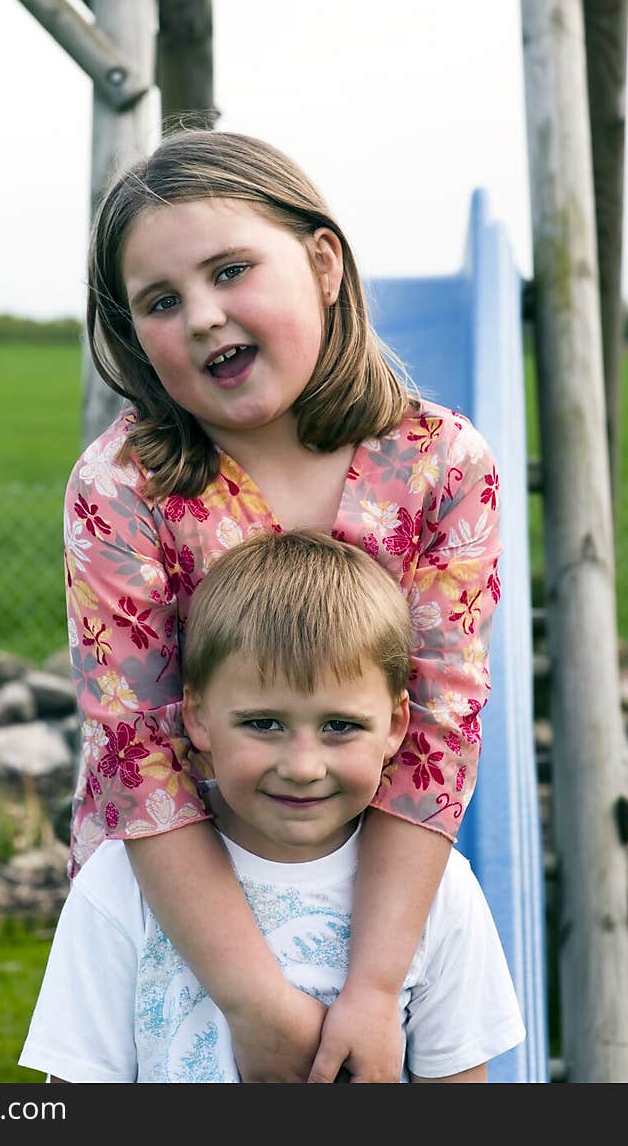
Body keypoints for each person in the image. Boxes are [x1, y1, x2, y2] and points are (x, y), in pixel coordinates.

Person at [63, 129, 502, 1082]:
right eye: (162, 301)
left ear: (322, 261)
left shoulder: (440, 466)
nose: (205, 316)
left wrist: (379, 986)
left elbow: (437, 730)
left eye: (231, 270)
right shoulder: (126, 485)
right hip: (177, 918)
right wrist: (250, 999)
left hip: (375, 902)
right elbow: (137, 748)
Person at [21, 531, 525, 1083]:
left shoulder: (436, 890)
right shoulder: (120, 884)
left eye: (341, 726)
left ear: (396, 725)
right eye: (264, 724)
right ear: (199, 718)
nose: (302, 766)